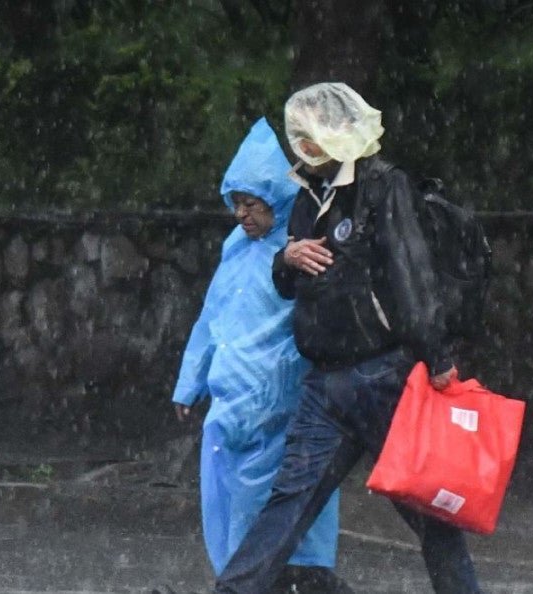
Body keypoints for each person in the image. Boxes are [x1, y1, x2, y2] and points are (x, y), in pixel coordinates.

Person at [212, 83, 482, 593]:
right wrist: (285, 260)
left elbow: (411, 271)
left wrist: (437, 353)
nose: (302, 147)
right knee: (289, 501)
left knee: (426, 510)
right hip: (326, 384)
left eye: (309, 137)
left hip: (384, 377)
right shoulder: (307, 194)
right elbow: (287, 281)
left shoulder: (384, 185)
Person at [169, 118, 347, 593]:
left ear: (273, 197)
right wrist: (192, 380)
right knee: (224, 508)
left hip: (276, 407)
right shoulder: (235, 249)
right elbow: (213, 316)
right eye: (235, 205)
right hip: (230, 407)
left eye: (249, 204)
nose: (241, 215)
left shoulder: (299, 244)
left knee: (269, 522)